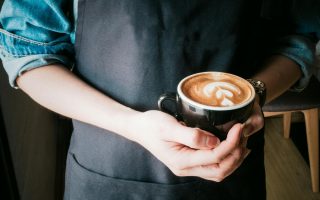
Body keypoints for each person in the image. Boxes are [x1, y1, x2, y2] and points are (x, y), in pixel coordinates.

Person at [0, 0, 319, 199]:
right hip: (107, 169)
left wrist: (255, 94)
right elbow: (30, 54)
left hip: (230, 169)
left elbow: (297, 38)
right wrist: (131, 124)